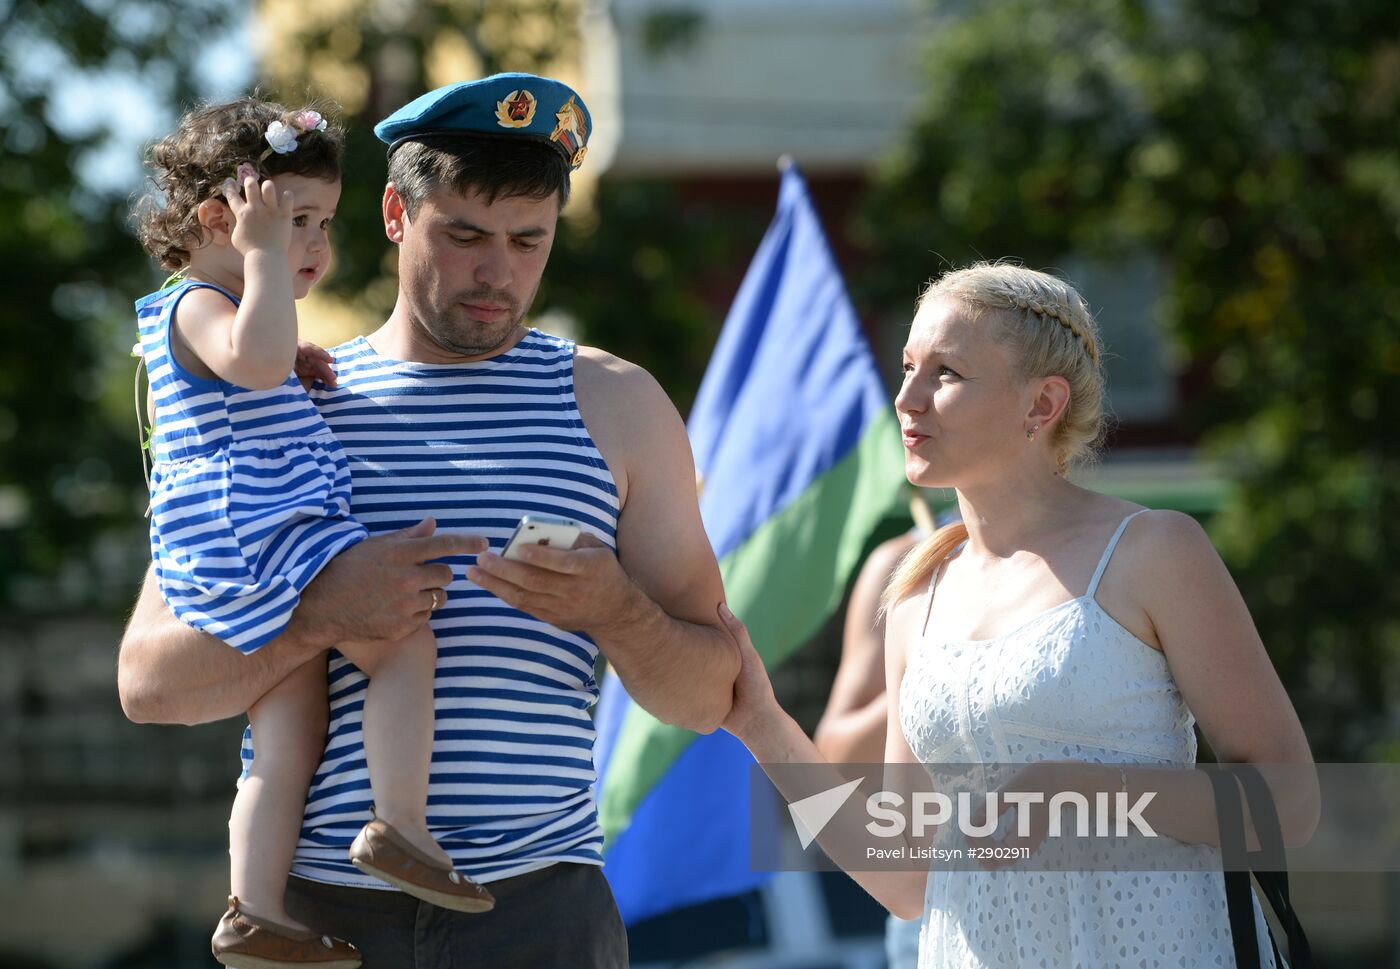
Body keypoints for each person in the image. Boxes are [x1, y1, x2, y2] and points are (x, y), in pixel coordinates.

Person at [119, 74, 740, 969]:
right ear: (393, 216)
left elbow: (709, 694)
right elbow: (151, 686)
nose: (499, 273)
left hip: (540, 909)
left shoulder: (619, 403)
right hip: (321, 919)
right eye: (465, 235)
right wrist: (325, 612)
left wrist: (614, 608)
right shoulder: (284, 397)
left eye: (531, 241)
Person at [719, 263, 1319, 968]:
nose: (907, 398)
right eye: (908, 366)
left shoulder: (1157, 549)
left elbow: (1290, 802)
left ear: (1041, 405)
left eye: (946, 373)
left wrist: (1080, 790)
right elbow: (908, 880)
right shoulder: (914, 596)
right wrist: (764, 726)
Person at [132, 97, 496, 969]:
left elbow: (249, 375)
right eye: (294, 222)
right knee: (402, 639)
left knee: (287, 723)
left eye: (323, 224)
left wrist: (286, 368)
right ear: (222, 218)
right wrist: (266, 295)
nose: (314, 249)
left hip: (242, 553)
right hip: (262, 546)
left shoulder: (227, 317)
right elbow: (247, 360)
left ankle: (254, 909)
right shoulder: (193, 305)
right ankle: (400, 824)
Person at [812, 524, 922, 969]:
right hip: (935, 908)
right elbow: (834, 761)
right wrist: (923, 678)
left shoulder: (1117, 547)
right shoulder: (904, 564)